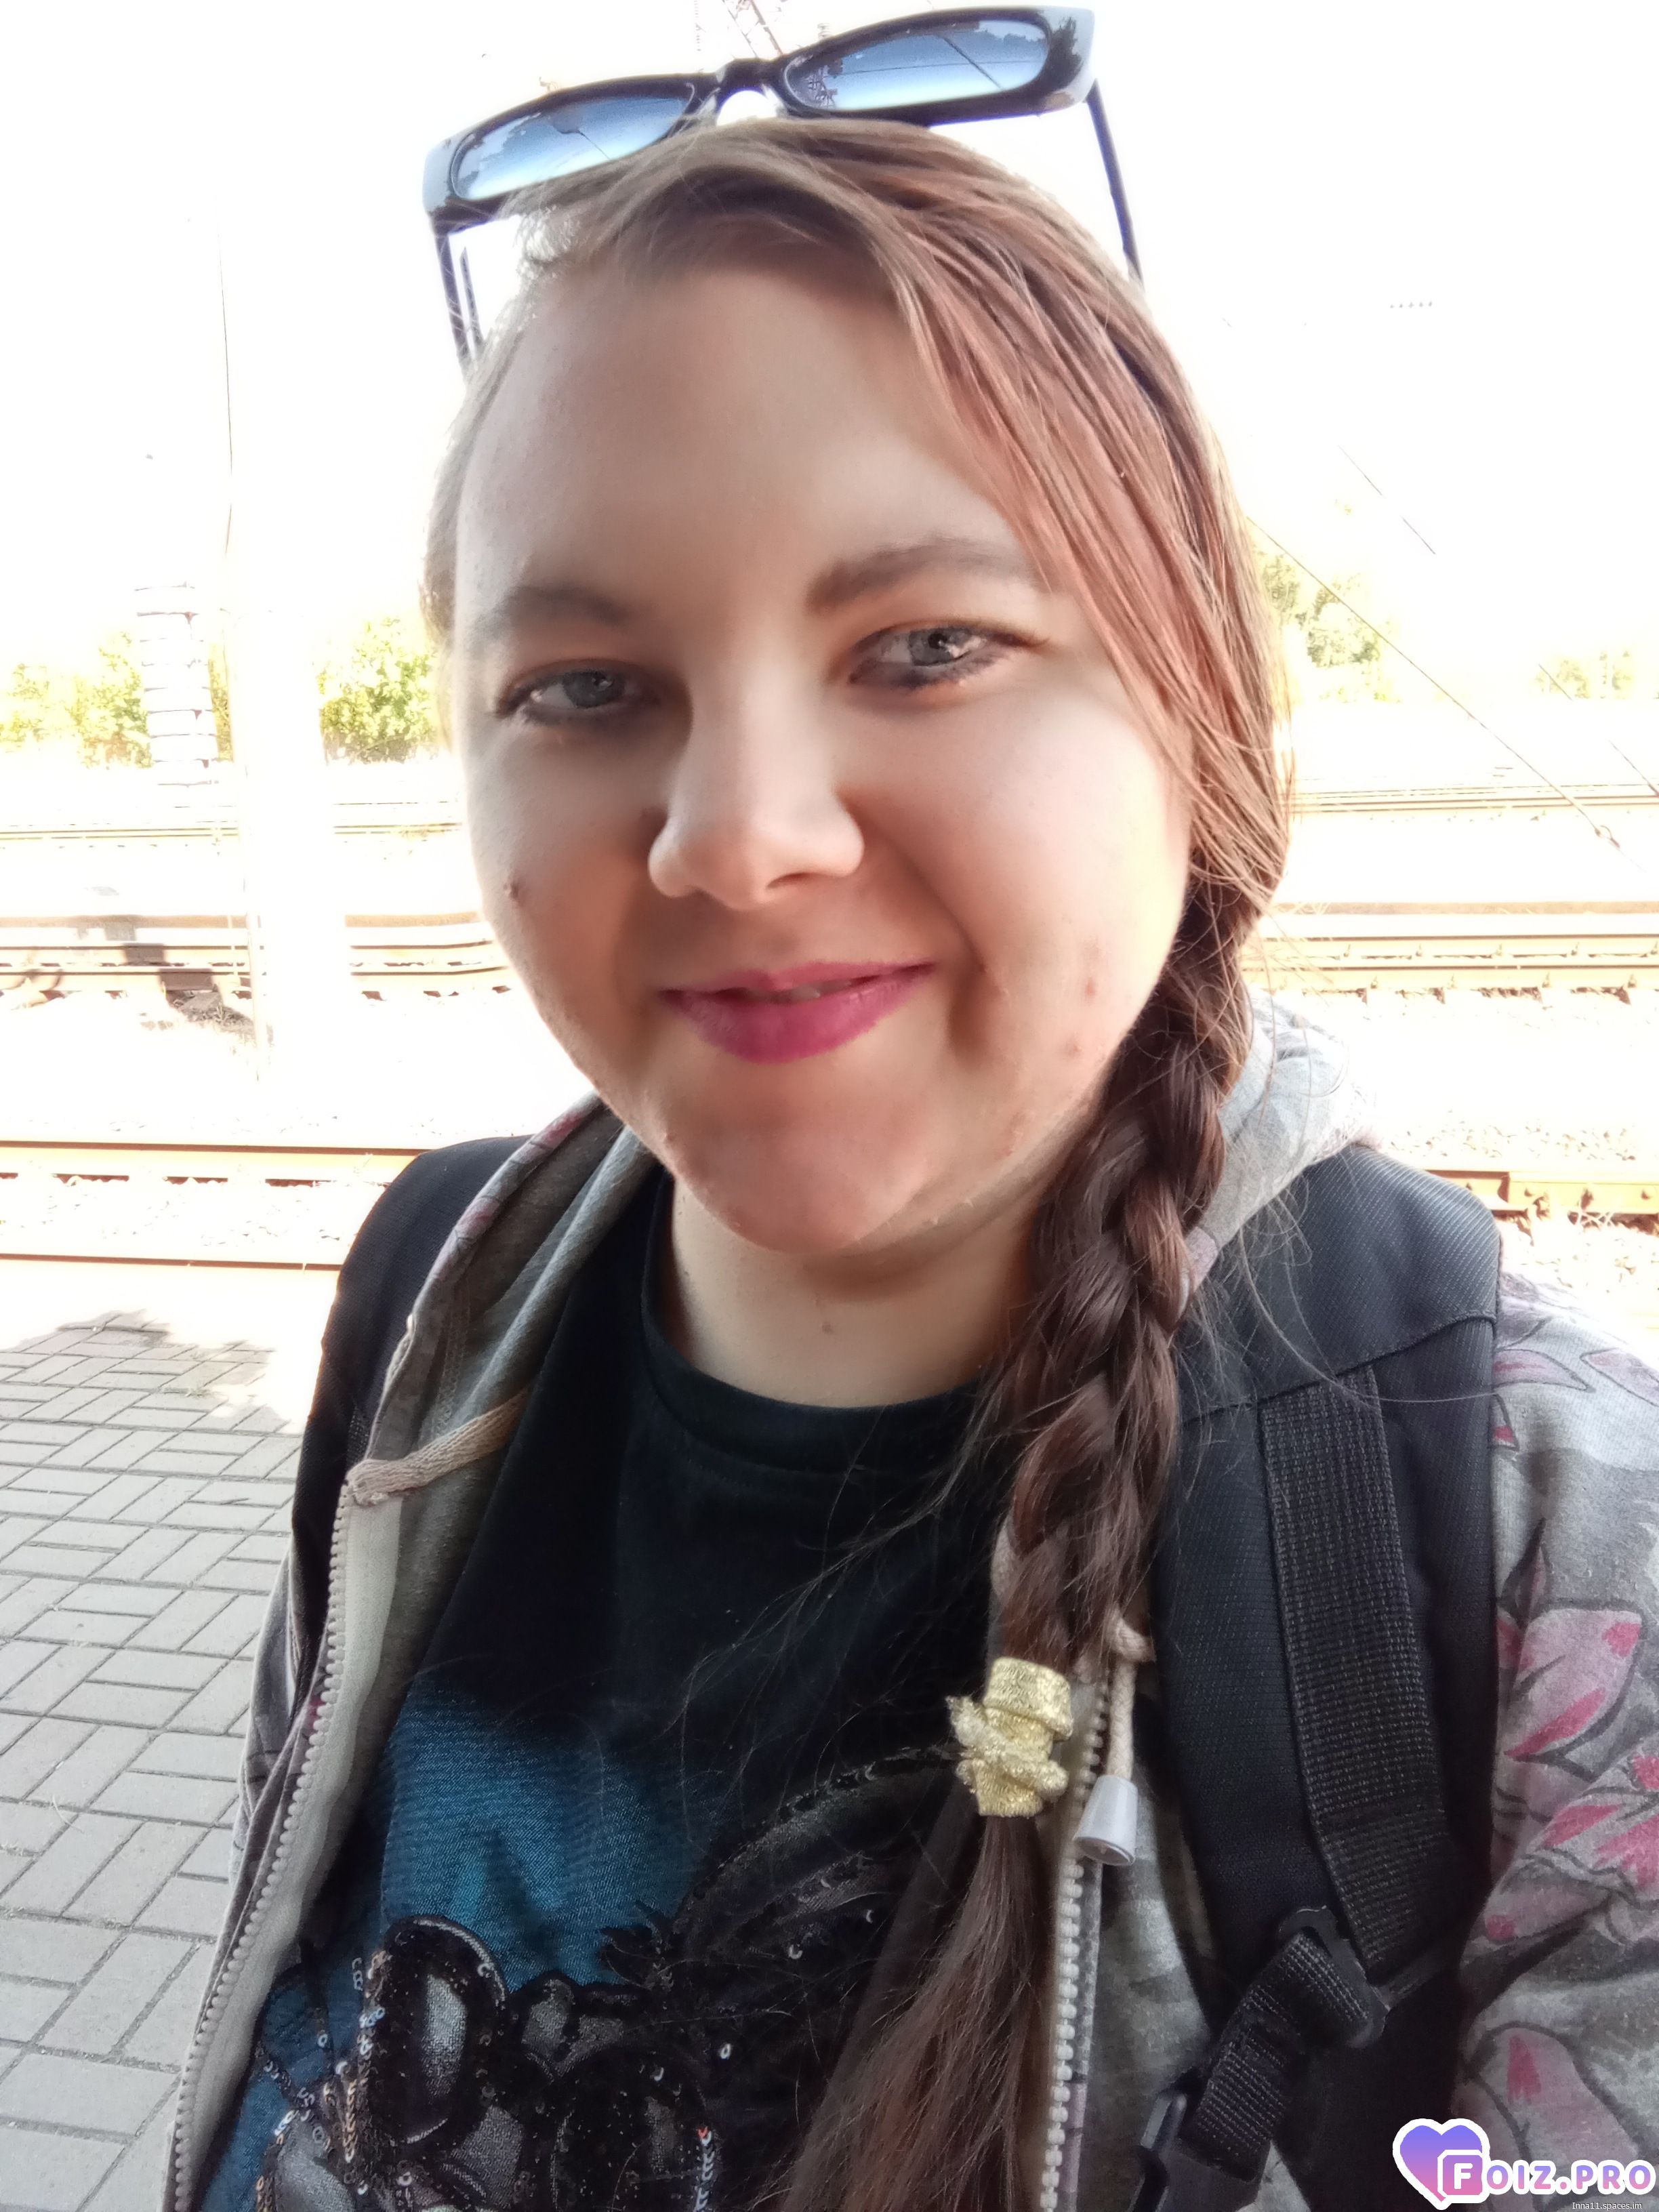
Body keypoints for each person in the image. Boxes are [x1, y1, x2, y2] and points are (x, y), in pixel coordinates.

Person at [170, 121, 1659, 2212]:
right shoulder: (431, 1314)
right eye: (586, 686)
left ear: (1197, 709)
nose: (734, 836)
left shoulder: (1549, 1555)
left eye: (927, 647)